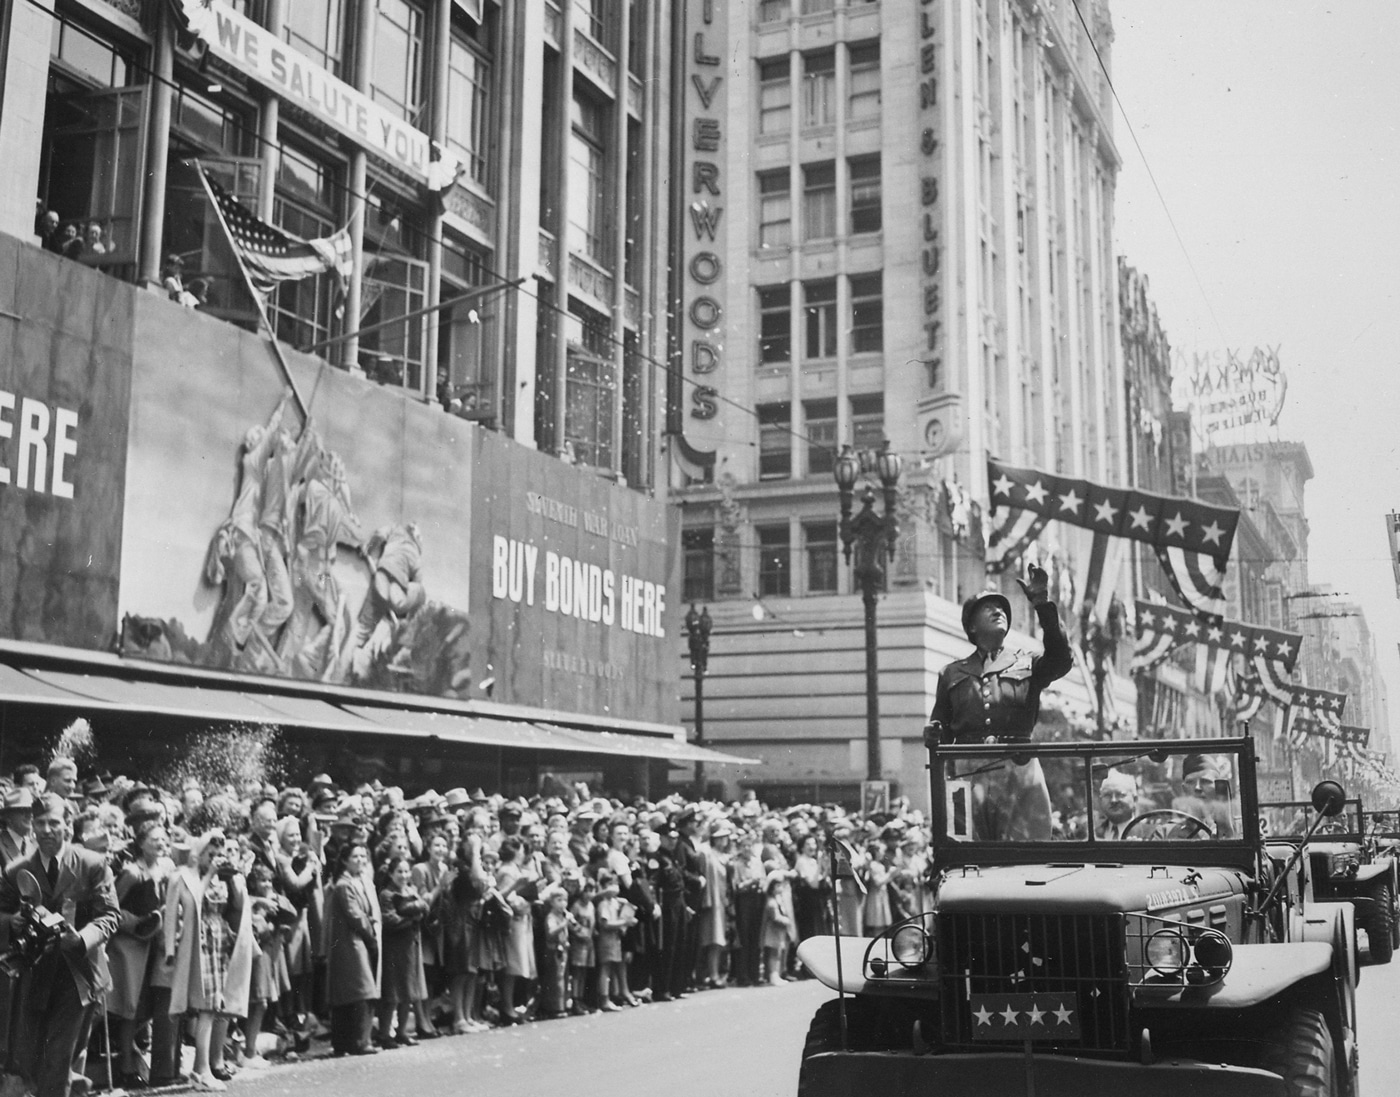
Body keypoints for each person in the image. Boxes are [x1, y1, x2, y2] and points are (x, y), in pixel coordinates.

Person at [925, 564, 1070, 841]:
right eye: (987, 607)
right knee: (965, 853)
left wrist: (1042, 605)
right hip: (968, 774)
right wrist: (933, 731)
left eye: (1002, 608)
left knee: (1027, 855)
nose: (998, 611)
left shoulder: (1026, 662)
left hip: (1019, 772)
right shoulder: (952, 673)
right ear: (971, 625)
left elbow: (1061, 660)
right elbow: (941, 725)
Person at [0, 793, 120, 1097]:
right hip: (35, 975)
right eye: (39, 823)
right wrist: (10, 921)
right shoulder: (17, 871)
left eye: (54, 822)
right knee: (34, 1062)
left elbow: (109, 915)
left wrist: (82, 938)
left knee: (57, 1058)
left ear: (67, 824)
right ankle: (75, 1087)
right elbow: (2, 911)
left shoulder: (91, 864)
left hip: (77, 975)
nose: (46, 829)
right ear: (32, 828)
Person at [163, 828, 255, 1091]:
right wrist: (170, 950)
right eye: (209, 853)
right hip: (197, 943)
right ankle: (201, 1069)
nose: (214, 858)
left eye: (218, 853)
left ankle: (201, 1068)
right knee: (205, 1007)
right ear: (198, 853)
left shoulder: (219, 878)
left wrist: (236, 876)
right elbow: (190, 906)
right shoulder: (183, 877)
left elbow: (234, 905)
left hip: (218, 942)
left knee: (213, 1007)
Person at [107, 819, 171, 1088]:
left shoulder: (166, 868)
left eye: (163, 838)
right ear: (141, 843)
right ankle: (125, 1067)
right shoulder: (133, 872)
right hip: (129, 945)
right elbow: (110, 906)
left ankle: (135, 1057)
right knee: (129, 1006)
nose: (160, 843)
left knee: (146, 1004)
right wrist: (133, 923)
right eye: (153, 839)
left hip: (154, 941)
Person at [325, 840, 380, 1057]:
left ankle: (349, 1041)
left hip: (358, 941)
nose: (360, 860)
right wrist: (371, 936)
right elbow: (355, 915)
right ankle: (359, 1040)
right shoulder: (344, 885)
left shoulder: (361, 881)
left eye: (362, 856)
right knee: (361, 990)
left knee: (354, 992)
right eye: (355, 857)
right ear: (346, 860)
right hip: (351, 942)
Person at [376, 854, 428, 1048]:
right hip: (394, 946)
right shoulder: (386, 895)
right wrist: (411, 919)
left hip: (411, 945)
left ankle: (402, 1031)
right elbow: (389, 919)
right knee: (392, 992)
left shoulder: (412, 890)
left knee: (408, 991)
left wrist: (415, 911)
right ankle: (384, 1033)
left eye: (406, 871)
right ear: (391, 873)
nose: (404, 875)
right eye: (399, 871)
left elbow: (424, 908)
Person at [1095, 769, 1141, 841]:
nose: (1113, 800)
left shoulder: (1154, 834)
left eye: (1120, 795)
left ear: (1135, 799)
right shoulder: (1092, 835)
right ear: (1100, 800)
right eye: (1107, 795)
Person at [0, 786, 35, 867]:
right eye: (23, 810)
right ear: (8, 817)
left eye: (31, 810)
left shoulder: (33, 844)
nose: (30, 815)